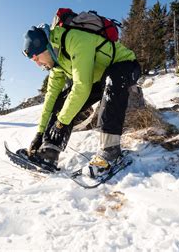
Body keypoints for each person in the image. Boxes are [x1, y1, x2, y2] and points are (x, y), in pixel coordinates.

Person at [21, 23, 140, 178]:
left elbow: (81, 87)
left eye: (36, 58)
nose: (37, 64)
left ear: (45, 47)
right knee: (61, 100)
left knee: (113, 79)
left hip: (126, 66)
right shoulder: (56, 63)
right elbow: (50, 98)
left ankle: (111, 151)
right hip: (97, 78)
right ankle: (49, 151)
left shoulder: (75, 39)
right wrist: (40, 132)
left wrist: (61, 122)